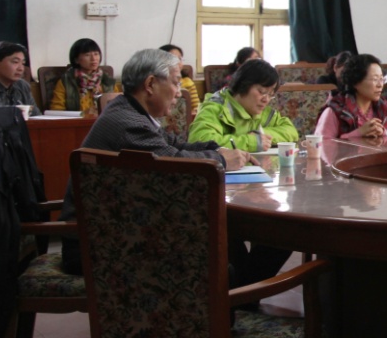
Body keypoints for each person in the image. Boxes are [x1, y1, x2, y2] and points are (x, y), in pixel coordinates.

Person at [57, 49, 249, 274]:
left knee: (223, 244)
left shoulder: (129, 110)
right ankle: (239, 288)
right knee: (218, 252)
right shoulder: (128, 122)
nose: (179, 92)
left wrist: (217, 148)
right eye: (176, 83)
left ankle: (241, 286)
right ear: (150, 84)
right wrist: (221, 159)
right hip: (97, 246)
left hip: (115, 231)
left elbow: (175, 145)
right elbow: (174, 161)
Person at [189, 58, 298, 151]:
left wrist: (260, 134)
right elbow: (199, 141)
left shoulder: (263, 111)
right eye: (262, 92)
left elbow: (291, 131)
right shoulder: (216, 108)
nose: (266, 99)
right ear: (243, 85)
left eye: (270, 94)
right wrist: (251, 141)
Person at [315, 54, 387, 142]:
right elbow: (321, 144)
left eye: (381, 79)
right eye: (375, 79)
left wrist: (382, 133)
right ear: (356, 82)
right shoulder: (336, 110)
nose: (380, 85)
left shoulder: (382, 107)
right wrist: (359, 133)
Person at [48, 38, 120, 115]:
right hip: (76, 122)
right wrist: (82, 114)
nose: (94, 59)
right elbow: (57, 110)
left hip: (105, 121)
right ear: (76, 60)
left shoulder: (107, 81)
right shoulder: (66, 82)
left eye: (96, 54)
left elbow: (119, 107)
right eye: (87, 55)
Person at [159, 43, 200, 115]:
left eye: (180, 59)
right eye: (173, 59)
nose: (178, 63)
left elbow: (197, 108)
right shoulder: (156, 83)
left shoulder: (188, 82)